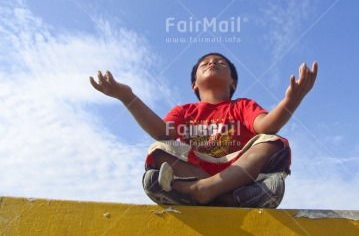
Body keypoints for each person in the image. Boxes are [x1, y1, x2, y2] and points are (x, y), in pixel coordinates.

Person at [90, 53, 317, 208]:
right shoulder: (185, 111)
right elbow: (162, 132)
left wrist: (293, 99)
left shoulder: (242, 106)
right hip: (197, 167)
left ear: (233, 83)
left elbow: (267, 127)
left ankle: (196, 191)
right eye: (204, 63)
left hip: (237, 171)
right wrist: (127, 97)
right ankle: (228, 198)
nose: (212, 63)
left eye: (220, 63)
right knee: (158, 149)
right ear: (194, 85)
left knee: (274, 142)